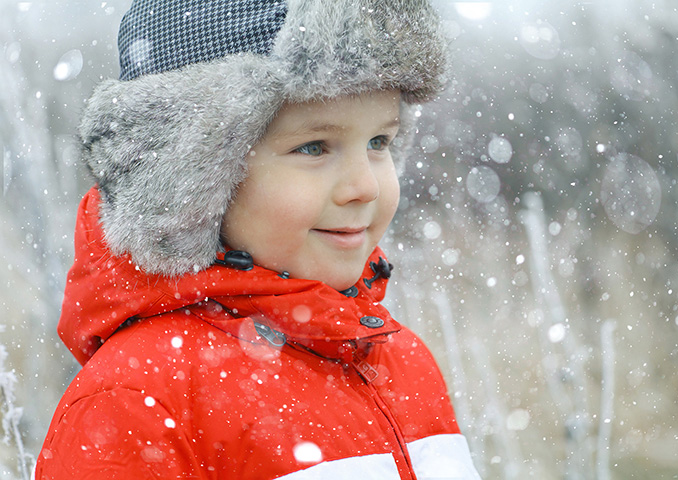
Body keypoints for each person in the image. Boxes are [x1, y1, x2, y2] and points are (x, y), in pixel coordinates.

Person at [36, 1, 482, 478]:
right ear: (196, 178)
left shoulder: (399, 358)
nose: (366, 186)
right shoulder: (140, 400)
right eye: (314, 147)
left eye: (379, 143)